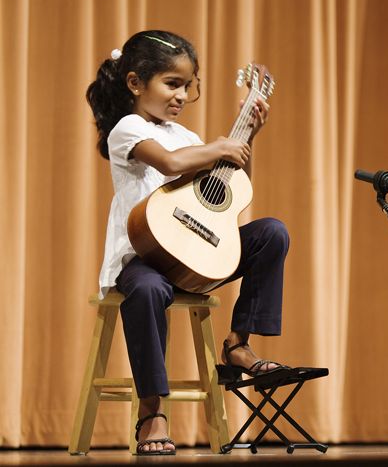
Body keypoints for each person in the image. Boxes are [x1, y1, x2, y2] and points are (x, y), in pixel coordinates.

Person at [86, 30, 289, 455]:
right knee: (146, 288)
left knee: (271, 232)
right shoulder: (129, 128)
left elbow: (227, 191)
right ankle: (151, 411)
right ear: (136, 83)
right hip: (144, 258)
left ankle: (238, 343)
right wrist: (221, 145)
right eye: (172, 84)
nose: (181, 95)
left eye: (187, 86)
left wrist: (247, 136)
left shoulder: (190, 137)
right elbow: (170, 163)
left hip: (195, 257)